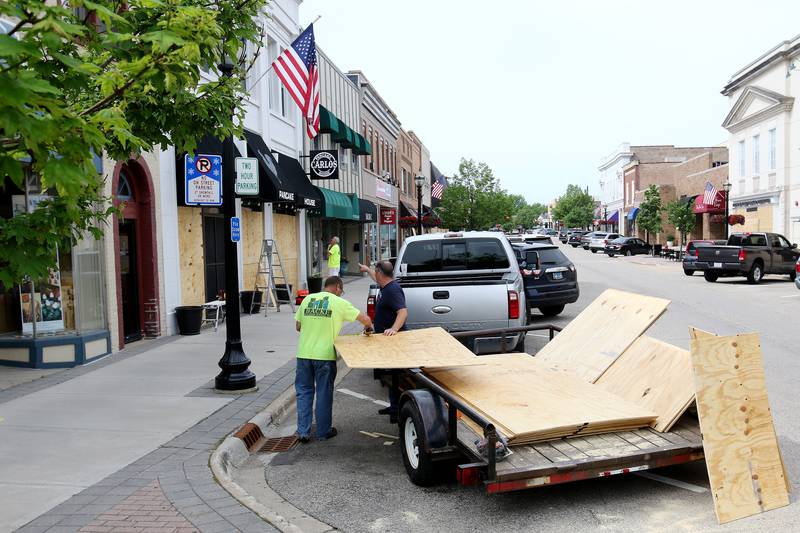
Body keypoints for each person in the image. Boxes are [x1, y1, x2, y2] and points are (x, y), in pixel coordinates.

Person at [294, 276, 373, 443]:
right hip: (324, 356)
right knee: (323, 393)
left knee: (304, 392)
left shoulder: (307, 299)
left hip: (303, 355)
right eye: (341, 291)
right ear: (338, 287)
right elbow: (366, 320)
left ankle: (303, 432)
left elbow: (298, 326)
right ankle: (323, 432)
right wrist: (368, 328)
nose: (341, 293)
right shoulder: (339, 303)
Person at [358, 260, 408, 416]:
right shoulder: (386, 285)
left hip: (394, 343)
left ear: (380, 273)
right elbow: (376, 276)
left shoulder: (392, 290)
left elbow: (403, 312)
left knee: (396, 376)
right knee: (391, 376)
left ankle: (398, 409)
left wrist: (394, 329)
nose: (374, 274)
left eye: (375, 271)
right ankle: (394, 407)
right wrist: (367, 269)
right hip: (386, 341)